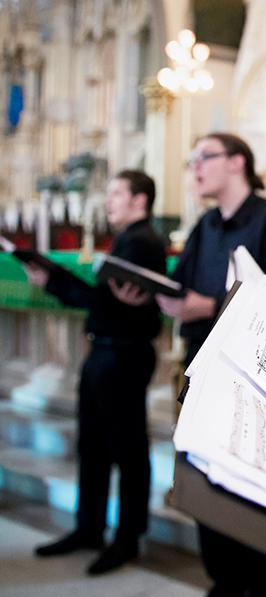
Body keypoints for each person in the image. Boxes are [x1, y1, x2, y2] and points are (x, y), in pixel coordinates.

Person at [158, 132, 266, 597]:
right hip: (199, 365)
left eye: (205, 157)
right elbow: (179, 285)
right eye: (192, 159)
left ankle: (259, 589)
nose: (195, 167)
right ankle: (222, 582)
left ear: (237, 162)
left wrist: (213, 305)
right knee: (203, 481)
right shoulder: (205, 225)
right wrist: (166, 299)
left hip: (249, 377)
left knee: (250, 493)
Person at [29, 170, 166, 575]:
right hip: (105, 352)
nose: (108, 202)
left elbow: (103, 304)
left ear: (140, 200)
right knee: (92, 445)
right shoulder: (129, 239)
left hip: (123, 355)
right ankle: (88, 528)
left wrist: (52, 281)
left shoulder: (142, 242)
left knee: (127, 451)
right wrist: (53, 278)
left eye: (117, 194)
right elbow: (104, 301)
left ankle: (126, 539)